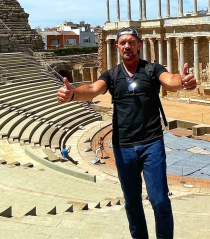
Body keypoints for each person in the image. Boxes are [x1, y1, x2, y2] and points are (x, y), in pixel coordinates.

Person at [57, 27, 196, 239]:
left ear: (139, 45)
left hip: (152, 144)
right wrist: (73, 93)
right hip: (123, 147)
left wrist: (183, 81)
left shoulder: (151, 69)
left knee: (160, 201)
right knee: (132, 202)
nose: (127, 46)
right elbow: (93, 89)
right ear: (117, 47)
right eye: (123, 42)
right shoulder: (112, 75)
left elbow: (170, 79)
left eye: (131, 42)